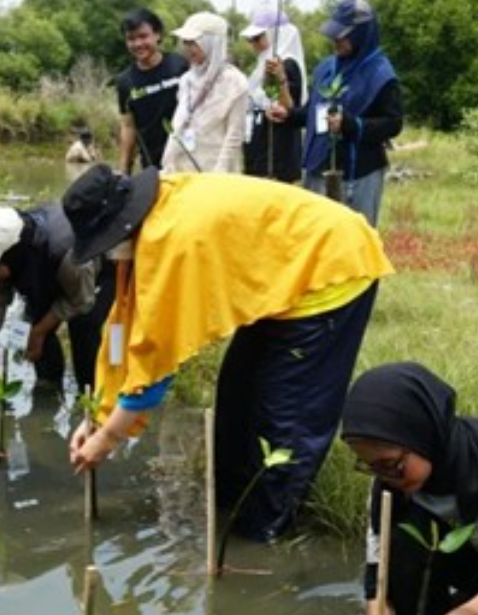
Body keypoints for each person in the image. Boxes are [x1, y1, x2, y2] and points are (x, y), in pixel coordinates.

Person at [63, 163, 394, 542]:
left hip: (329, 267)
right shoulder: (152, 215)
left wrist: (108, 438)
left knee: (284, 417)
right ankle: (231, 507)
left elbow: (155, 363)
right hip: (279, 278)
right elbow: (123, 327)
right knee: (238, 398)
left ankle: (265, 533)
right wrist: (98, 414)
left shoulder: (173, 243)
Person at [341, 363, 478, 615]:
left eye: (390, 464)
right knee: (403, 540)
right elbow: (377, 575)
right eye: (370, 466)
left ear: (423, 435)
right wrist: (379, 607)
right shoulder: (387, 488)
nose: (385, 477)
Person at [0, 204, 113, 402]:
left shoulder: (67, 254)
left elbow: (80, 301)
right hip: (45, 270)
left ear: (12, 254)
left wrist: (39, 331)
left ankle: (93, 398)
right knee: (36, 335)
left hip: (96, 275)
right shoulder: (0, 263)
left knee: (84, 331)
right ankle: (48, 393)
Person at [267, 0, 403, 226]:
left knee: (354, 238)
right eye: (334, 34)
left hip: (357, 175)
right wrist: (289, 115)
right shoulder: (326, 68)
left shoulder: (381, 74)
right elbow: (313, 112)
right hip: (318, 171)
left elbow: (393, 123)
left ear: (360, 34)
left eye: (341, 35)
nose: (335, 40)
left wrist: (351, 125)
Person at [161, 12, 248, 173]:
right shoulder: (186, 80)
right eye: (185, 42)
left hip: (215, 171)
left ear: (211, 42)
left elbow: (234, 135)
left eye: (193, 42)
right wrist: (169, 159)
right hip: (183, 167)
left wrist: (219, 172)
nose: (187, 48)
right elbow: (179, 123)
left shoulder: (235, 82)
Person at [116, 7, 189, 174]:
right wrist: (124, 170)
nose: (137, 44)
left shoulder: (181, 65)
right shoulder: (125, 82)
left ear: (158, 35)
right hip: (153, 166)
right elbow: (128, 126)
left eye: (143, 36)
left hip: (188, 160)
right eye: (131, 39)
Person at [241, 6, 306, 182]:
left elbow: (288, 109)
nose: (253, 43)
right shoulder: (263, 64)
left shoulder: (288, 65)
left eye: (257, 38)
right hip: (260, 149)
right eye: (250, 39)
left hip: (277, 155)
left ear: (276, 34)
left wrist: (281, 80)